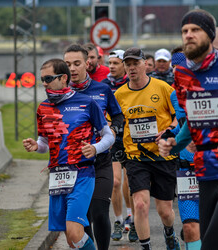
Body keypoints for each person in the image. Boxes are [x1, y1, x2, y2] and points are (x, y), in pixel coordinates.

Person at [22, 58, 115, 250]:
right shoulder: (43, 108)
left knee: (74, 231)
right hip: (57, 177)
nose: (45, 84)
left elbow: (108, 136)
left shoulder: (86, 103)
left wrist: (95, 148)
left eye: (48, 78)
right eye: (42, 80)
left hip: (82, 173)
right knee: (72, 239)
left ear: (63, 78)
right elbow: (45, 143)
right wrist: (35, 146)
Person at [158, 9, 218, 250]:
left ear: (209, 34)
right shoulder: (183, 74)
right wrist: (174, 142)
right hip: (205, 169)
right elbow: (192, 122)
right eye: (184, 31)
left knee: (213, 243)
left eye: (195, 30)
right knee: (205, 238)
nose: (188, 35)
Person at [114, 47, 180, 250]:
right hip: (136, 157)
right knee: (140, 204)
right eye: (128, 64)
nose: (132, 68)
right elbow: (112, 123)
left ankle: (169, 233)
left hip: (163, 155)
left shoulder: (163, 88)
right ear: (125, 68)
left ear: (145, 64)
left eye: (136, 63)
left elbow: (179, 118)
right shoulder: (119, 95)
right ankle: (146, 247)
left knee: (165, 211)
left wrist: (170, 130)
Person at [63, 44, 123, 250]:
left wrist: (114, 128)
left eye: (77, 63)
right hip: (75, 164)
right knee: (84, 215)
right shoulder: (62, 94)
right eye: (68, 64)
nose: (72, 68)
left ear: (87, 64)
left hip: (101, 160)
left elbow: (118, 115)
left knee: (99, 210)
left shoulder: (102, 89)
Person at [102, 49, 138, 242]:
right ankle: (117, 220)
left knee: (130, 182)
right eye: (110, 63)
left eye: (116, 63)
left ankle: (131, 219)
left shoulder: (131, 83)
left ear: (124, 65)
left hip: (131, 138)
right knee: (115, 182)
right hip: (113, 138)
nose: (112, 66)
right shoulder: (104, 85)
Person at [169, 48, 201, 250]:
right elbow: (181, 125)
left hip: (213, 166)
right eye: (174, 67)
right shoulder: (174, 95)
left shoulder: (212, 87)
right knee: (189, 227)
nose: (176, 71)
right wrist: (168, 137)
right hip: (186, 168)